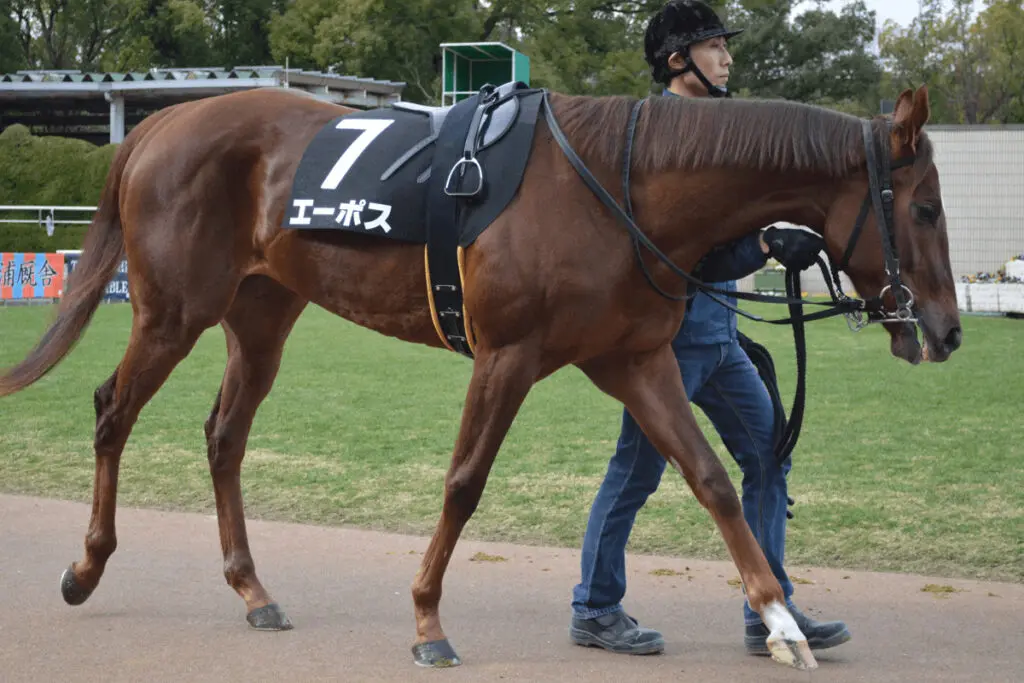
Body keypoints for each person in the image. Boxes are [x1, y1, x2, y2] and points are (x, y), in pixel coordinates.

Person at [568, 0, 852, 657]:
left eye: (727, 46)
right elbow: (680, 249)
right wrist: (764, 246)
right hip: (658, 345)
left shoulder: (723, 129)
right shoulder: (657, 136)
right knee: (634, 475)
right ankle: (594, 606)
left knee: (767, 452)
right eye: (715, 46)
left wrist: (773, 236)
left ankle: (769, 607)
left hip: (719, 341)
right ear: (678, 60)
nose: (729, 57)